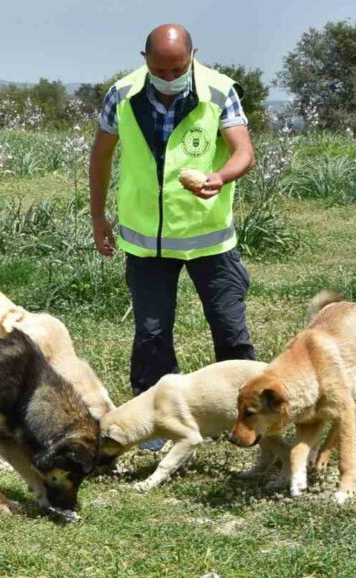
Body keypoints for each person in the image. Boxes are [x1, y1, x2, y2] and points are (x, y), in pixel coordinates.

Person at [89, 24, 257, 450]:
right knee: (150, 335)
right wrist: (98, 216)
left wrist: (219, 177)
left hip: (210, 241)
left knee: (230, 331)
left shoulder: (219, 91)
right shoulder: (121, 95)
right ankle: (153, 426)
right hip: (146, 244)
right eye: (160, 69)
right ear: (144, 58)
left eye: (177, 68)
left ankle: (251, 416)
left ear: (193, 56)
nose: (168, 78)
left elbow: (244, 152)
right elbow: (101, 155)